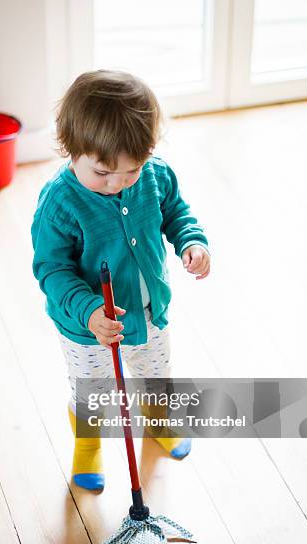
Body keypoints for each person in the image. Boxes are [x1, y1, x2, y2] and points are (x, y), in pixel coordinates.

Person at [31, 69, 210, 491]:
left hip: (149, 311)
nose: (117, 183)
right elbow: (52, 270)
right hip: (88, 329)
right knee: (92, 393)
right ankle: (88, 446)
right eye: (102, 173)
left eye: (130, 171)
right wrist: (90, 309)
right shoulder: (59, 203)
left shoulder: (155, 175)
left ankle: (158, 421)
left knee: (156, 375)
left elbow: (176, 213)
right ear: (71, 150)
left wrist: (191, 241)